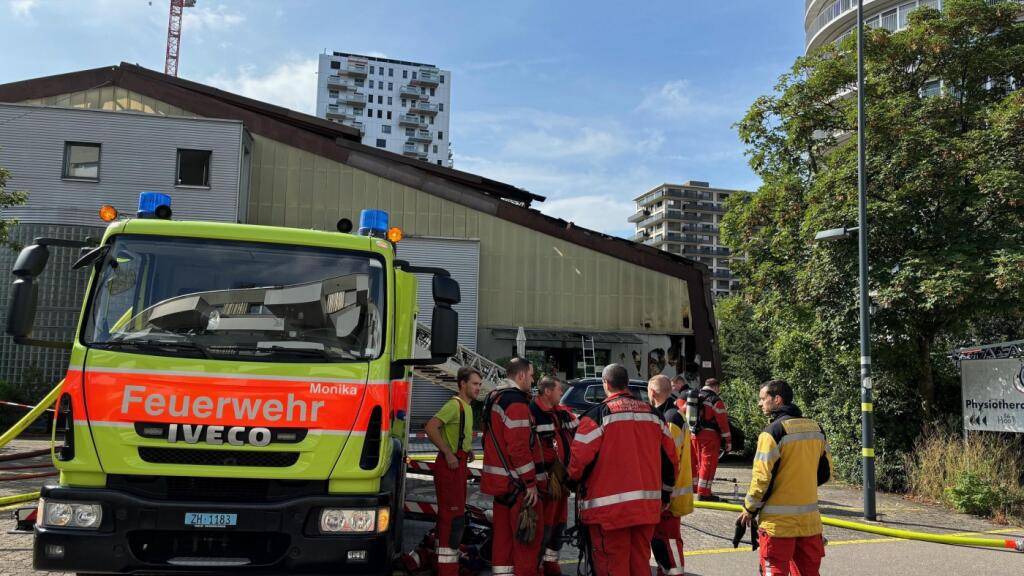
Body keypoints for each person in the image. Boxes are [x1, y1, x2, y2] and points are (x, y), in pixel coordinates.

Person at [568, 364, 677, 576]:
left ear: (606, 384)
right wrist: (665, 493)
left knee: (612, 567)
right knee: (639, 565)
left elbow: (578, 462)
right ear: (627, 384)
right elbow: (671, 460)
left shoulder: (596, 416)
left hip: (607, 513)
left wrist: (571, 483)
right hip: (645, 509)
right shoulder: (654, 415)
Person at [738, 380, 832, 576]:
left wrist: (749, 508)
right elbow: (825, 473)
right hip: (810, 522)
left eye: (763, 399)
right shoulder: (817, 429)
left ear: (777, 400)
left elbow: (761, 479)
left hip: (778, 524)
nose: (760, 403)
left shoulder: (772, 433)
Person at [482, 357, 543, 576]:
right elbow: (518, 449)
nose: (533, 379)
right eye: (531, 374)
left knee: (503, 543)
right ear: (521, 376)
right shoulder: (515, 402)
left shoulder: (494, 398)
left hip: (501, 485)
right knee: (527, 543)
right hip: (517, 486)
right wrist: (530, 483)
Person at [423, 367, 482, 576]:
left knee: (453, 517)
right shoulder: (454, 405)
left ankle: (444, 564)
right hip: (450, 467)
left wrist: (468, 450)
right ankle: (447, 570)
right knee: (452, 518)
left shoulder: (465, 407)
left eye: (479, 384)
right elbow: (431, 427)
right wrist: (448, 453)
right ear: (462, 384)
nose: (478, 388)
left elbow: (455, 433)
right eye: (474, 384)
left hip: (458, 464)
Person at [530, 376, 578, 575]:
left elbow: (580, 430)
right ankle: (538, 566)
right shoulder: (533, 413)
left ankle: (551, 563)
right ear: (547, 391)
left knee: (558, 525)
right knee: (544, 527)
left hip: (561, 481)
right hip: (546, 481)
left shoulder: (560, 413)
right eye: (559, 390)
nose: (562, 393)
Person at [648, 375, 694, 576]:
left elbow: (669, 459)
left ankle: (675, 573)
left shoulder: (670, 418)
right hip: (668, 493)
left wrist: (663, 493)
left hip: (670, 495)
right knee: (661, 541)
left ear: (652, 392)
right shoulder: (668, 414)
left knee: (669, 541)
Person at [690, 377, 732, 501]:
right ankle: (704, 493)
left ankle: (695, 487)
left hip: (694, 434)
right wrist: (728, 441)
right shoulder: (715, 400)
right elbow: (723, 423)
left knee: (698, 463)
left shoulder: (695, 396)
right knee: (708, 464)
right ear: (716, 387)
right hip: (709, 437)